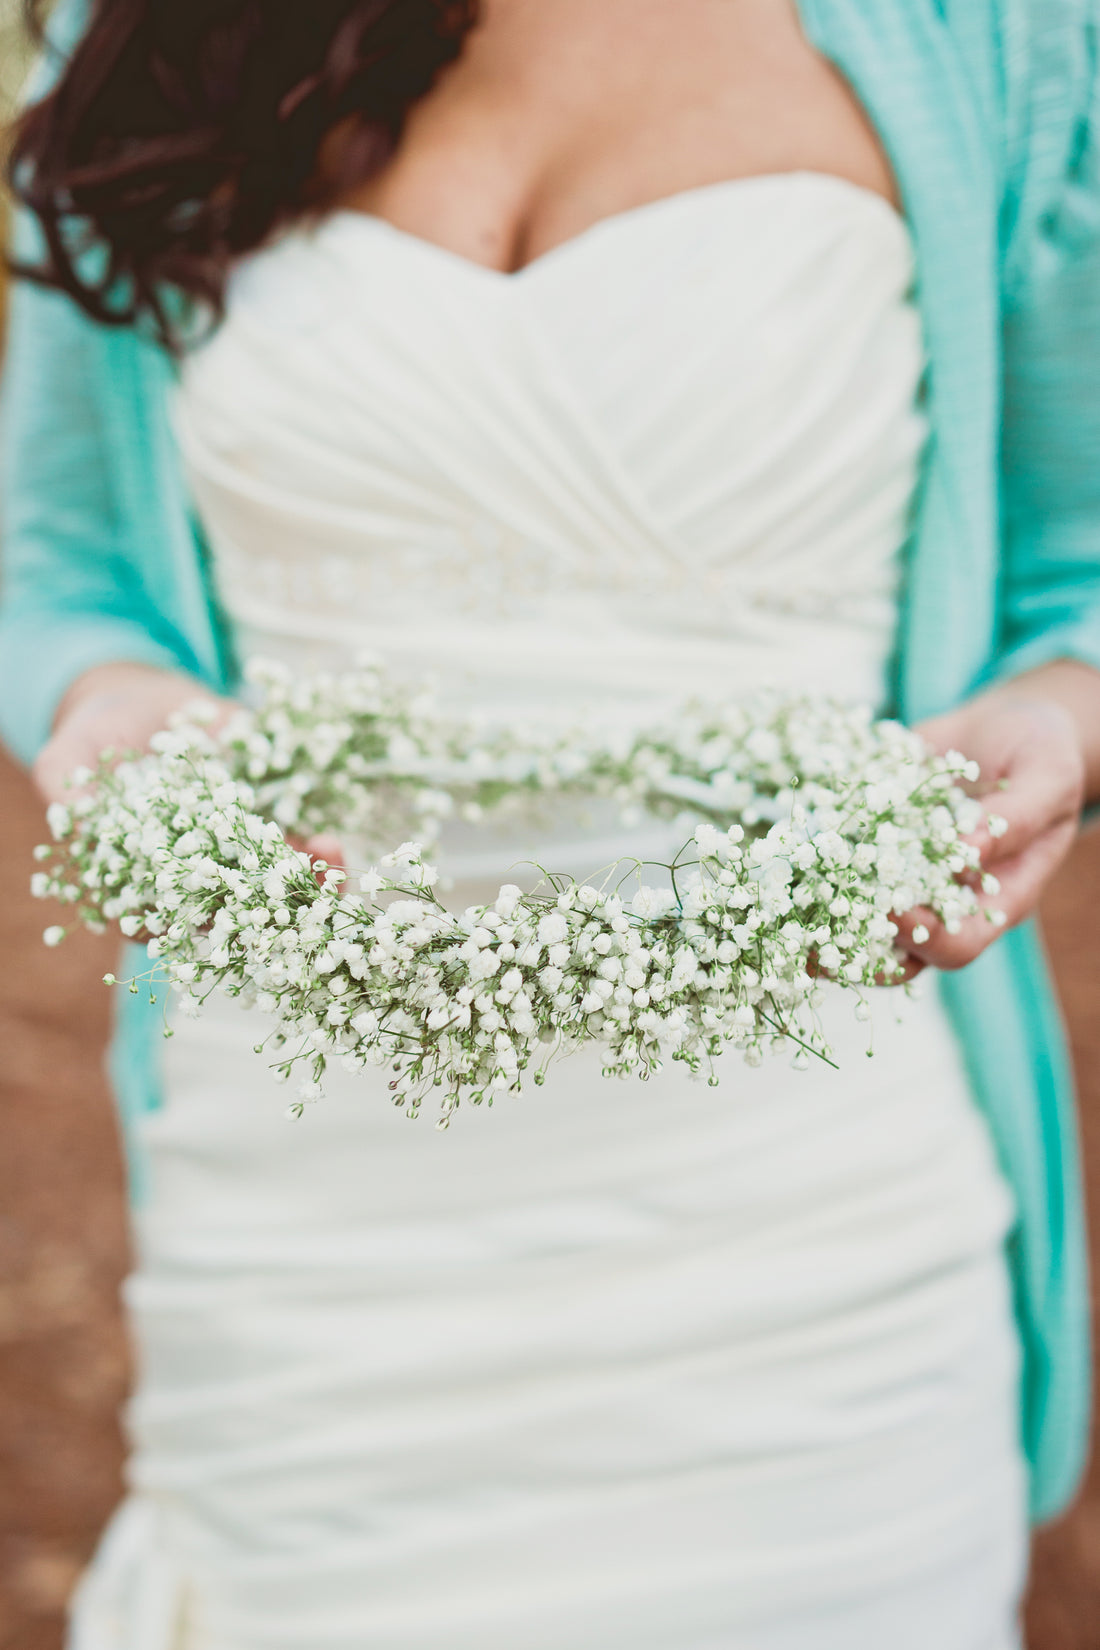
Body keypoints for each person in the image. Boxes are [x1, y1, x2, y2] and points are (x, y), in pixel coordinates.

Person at [3, 1, 1100, 1645]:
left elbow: (1073, 541)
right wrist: (106, 711)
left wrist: (1063, 714)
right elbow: (58, 560)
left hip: (810, 1267)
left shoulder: (997, 37)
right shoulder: (151, 27)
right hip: (302, 1242)